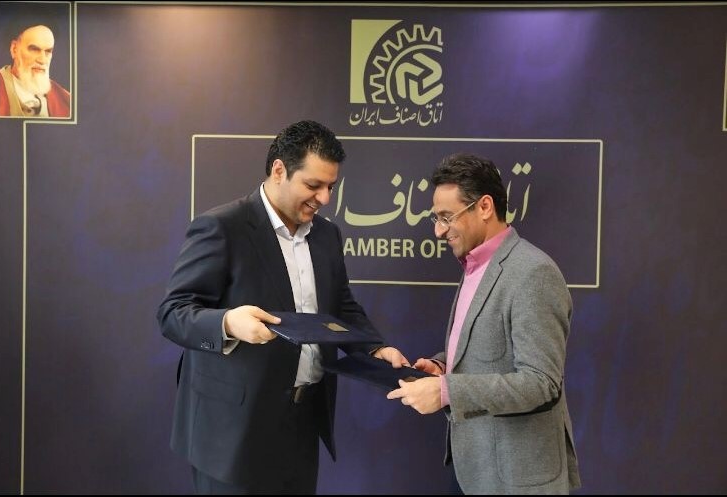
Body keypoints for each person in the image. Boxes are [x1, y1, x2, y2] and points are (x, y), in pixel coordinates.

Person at [157, 120, 408, 494]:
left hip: (302, 424)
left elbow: (340, 305)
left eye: (331, 187)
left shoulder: (327, 235)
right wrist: (229, 323)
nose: (325, 198)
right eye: (313, 185)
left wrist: (374, 347)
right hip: (231, 432)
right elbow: (173, 312)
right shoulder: (222, 227)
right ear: (279, 170)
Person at [386, 153, 581, 494]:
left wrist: (447, 391)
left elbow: (541, 383)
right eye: (435, 218)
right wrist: (441, 367)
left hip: (520, 481)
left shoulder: (534, 273)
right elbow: (487, 350)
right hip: (477, 470)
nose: (438, 230)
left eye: (446, 217)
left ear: (485, 206)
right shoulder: (475, 265)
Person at [0, 23, 70, 118]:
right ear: (14, 49)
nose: (42, 60)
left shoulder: (66, 100)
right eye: (34, 49)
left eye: (48, 51)